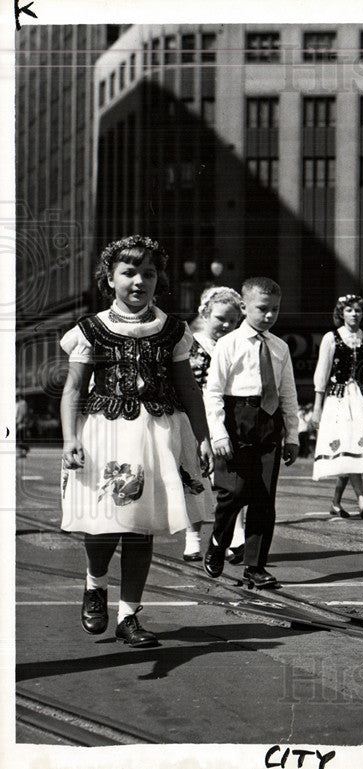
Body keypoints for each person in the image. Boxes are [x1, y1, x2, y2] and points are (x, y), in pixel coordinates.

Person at [60, 235, 215, 647]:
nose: (139, 281)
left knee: (140, 529)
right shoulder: (91, 329)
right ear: (109, 279)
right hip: (105, 434)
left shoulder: (173, 330)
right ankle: (96, 583)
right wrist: (69, 438)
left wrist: (202, 438)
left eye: (148, 273)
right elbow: (74, 389)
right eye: (128, 272)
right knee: (103, 524)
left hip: (157, 432)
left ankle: (129, 616)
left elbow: (188, 389)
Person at [202, 277, 300, 589]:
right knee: (232, 493)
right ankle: (219, 542)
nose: (269, 316)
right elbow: (213, 392)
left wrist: (293, 435)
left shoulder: (280, 347)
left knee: (263, 498)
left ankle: (255, 566)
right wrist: (218, 434)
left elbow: (288, 394)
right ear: (244, 307)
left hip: (269, 421)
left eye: (275, 310)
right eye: (262, 309)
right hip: (236, 419)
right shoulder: (228, 345)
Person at [311, 294, 363, 520]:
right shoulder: (331, 338)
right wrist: (317, 406)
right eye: (349, 310)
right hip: (339, 400)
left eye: (357, 310)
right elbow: (322, 371)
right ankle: (362, 501)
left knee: (354, 451)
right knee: (349, 449)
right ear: (341, 313)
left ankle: (337, 502)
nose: (354, 314)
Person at [182, 286, 244, 563]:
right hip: (195, 418)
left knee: (231, 481)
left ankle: (231, 538)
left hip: (227, 418)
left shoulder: (237, 344)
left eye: (233, 320)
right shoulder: (189, 344)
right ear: (205, 314)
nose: (227, 325)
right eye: (220, 318)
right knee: (195, 476)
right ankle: (192, 538)